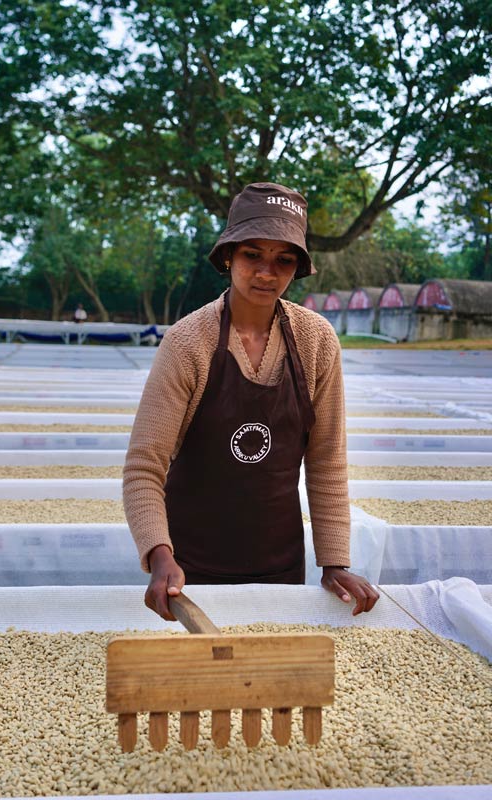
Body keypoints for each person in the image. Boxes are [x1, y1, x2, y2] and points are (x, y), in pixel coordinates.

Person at [122, 182, 380, 621]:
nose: (266, 272)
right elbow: (145, 465)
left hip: (278, 562)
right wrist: (159, 555)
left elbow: (326, 461)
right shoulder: (189, 342)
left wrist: (334, 561)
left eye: (284, 259)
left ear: (298, 267)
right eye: (252, 255)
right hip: (189, 566)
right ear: (228, 257)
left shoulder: (316, 341)